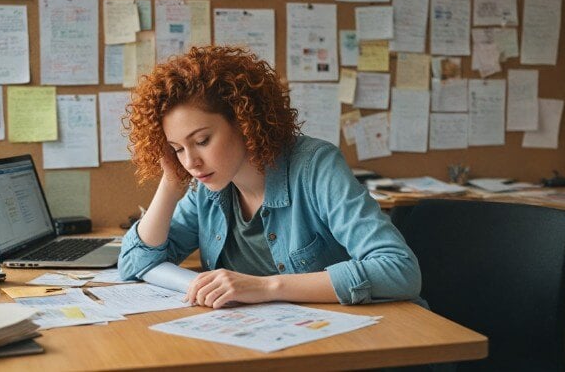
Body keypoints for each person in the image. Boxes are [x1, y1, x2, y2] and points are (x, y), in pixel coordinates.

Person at [119, 46, 421, 309]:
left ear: (244, 121)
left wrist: (265, 287)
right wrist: (171, 185)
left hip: (360, 342)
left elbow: (399, 271)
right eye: (177, 149)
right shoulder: (207, 187)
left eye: (202, 141)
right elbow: (134, 262)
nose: (191, 162)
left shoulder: (316, 166)